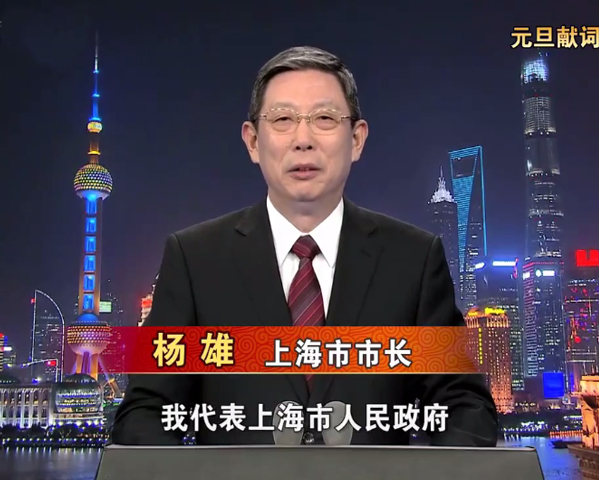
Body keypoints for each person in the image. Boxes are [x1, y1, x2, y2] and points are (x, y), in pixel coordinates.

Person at [111, 46, 498, 447]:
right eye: (283, 120)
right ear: (252, 141)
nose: (303, 140)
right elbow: (146, 411)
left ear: (357, 139)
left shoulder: (413, 259)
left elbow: (464, 406)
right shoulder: (195, 259)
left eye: (324, 119)